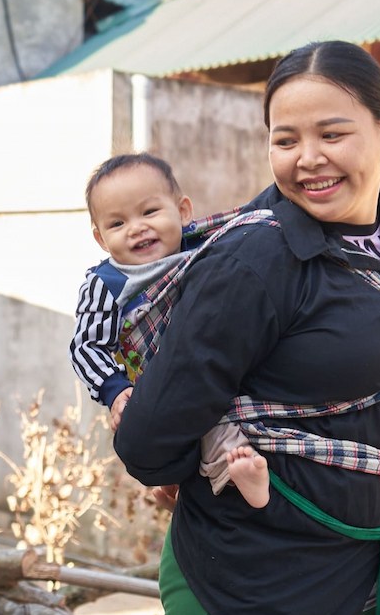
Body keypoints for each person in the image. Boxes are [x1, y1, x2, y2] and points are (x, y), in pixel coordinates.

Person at [113, 40, 380, 615]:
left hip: (362, 580)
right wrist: (205, 458)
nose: (309, 159)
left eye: (333, 133)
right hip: (252, 585)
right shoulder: (258, 256)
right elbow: (148, 441)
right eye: (286, 139)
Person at [68, 152, 273, 509]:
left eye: (149, 212)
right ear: (101, 239)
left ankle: (177, 488)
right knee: (208, 427)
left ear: (182, 211)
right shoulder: (108, 282)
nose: (136, 227)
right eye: (117, 224)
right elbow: (86, 346)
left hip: (211, 360)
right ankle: (237, 474)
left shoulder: (206, 250)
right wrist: (115, 391)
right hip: (156, 378)